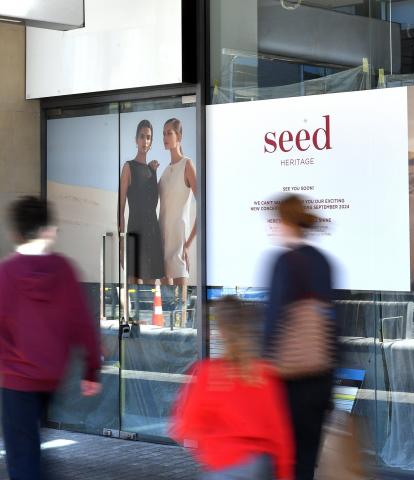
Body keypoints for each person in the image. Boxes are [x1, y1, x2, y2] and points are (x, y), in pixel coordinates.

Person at [0, 196, 102, 480]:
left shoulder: (7, 272)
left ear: (16, 233)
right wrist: (92, 368)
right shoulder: (64, 269)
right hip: (51, 375)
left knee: (22, 454)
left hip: (17, 378)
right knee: (31, 448)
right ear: (48, 228)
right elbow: (82, 322)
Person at [171, 296, 293, 480]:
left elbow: (184, 427)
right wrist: (285, 474)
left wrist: (208, 448)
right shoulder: (264, 373)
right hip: (261, 467)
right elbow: (280, 433)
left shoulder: (207, 374)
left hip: (223, 466)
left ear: (219, 331)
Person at [264, 194, 337, 480]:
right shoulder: (322, 261)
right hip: (320, 374)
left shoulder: (283, 261)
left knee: (285, 458)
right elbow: (333, 324)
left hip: (288, 380)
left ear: (285, 221)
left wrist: (262, 365)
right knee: (307, 459)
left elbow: (273, 321)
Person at [118, 119, 164, 284]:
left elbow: (153, 204)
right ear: (136, 140)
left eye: (149, 137)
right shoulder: (128, 168)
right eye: (142, 137)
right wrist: (121, 244)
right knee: (133, 286)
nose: (145, 141)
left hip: (153, 233)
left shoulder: (152, 170)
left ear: (151, 142)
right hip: (135, 234)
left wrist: (152, 169)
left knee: (153, 287)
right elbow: (120, 210)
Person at [158, 117, 196, 286]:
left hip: (179, 246)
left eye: (169, 133)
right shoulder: (164, 172)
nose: (165, 137)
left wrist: (188, 245)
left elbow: (204, 208)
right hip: (162, 244)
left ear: (179, 136)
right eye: (163, 134)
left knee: (183, 304)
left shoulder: (187, 165)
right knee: (165, 307)